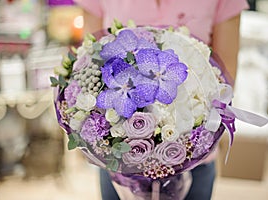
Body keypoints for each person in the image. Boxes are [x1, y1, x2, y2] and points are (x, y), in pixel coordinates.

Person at [73, 0, 249, 199]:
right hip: (118, 162)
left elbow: (225, 79)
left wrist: (182, 140)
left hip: (193, 158)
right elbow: (92, 62)